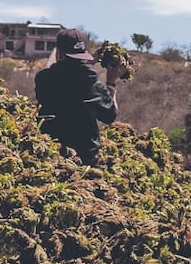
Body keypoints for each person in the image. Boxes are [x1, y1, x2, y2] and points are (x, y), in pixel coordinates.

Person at [34, 28, 128, 166]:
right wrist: (111, 82)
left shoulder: (43, 79)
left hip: (50, 155)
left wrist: (85, 64)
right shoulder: (95, 87)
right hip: (85, 160)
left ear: (59, 53)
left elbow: (67, 79)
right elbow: (110, 116)